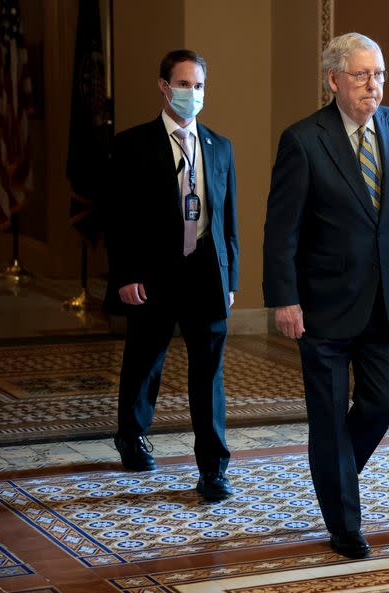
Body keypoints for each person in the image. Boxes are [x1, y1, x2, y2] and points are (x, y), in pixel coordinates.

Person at [263, 32, 389, 558]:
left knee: (384, 401)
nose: (372, 85)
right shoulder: (303, 139)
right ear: (333, 79)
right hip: (324, 304)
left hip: (385, 298)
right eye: (361, 75)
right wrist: (283, 298)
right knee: (330, 415)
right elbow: (281, 229)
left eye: (378, 74)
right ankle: (345, 525)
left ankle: (332, 473)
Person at [106, 49, 239, 502]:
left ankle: (213, 469)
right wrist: (125, 274)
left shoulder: (220, 146)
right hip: (153, 273)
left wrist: (231, 278)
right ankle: (132, 433)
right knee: (145, 359)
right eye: (183, 85)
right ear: (164, 87)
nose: (192, 93)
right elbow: (118, 218)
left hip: (205, 273)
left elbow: (228, 220)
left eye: (199, 85)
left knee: (209, 374)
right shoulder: (132, 144)